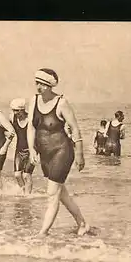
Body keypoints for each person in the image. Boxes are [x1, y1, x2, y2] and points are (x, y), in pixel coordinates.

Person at [27, 68, 90, 237]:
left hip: (62, 151)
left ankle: (43, 233)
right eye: (36, 83)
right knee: (61, 193)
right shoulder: (33, 100)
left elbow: (75, 129)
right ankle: (82, 223)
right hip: (45, 154)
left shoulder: (61, 103)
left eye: (42, 84)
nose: (38, 86)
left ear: (49, 85)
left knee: (52, 193)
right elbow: (31, 127)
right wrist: (32, 148)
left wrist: (80, 154)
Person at [9, 98, 35, 195]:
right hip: (19, 150)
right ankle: (24, 192)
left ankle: (28, 196)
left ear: (22, 109)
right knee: (17, 175)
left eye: (17, 110)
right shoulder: (12, 118)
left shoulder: (30, 120)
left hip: (31, 150)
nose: (15, 113)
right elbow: (6, 129)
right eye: (13, 110)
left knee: (26, 175)